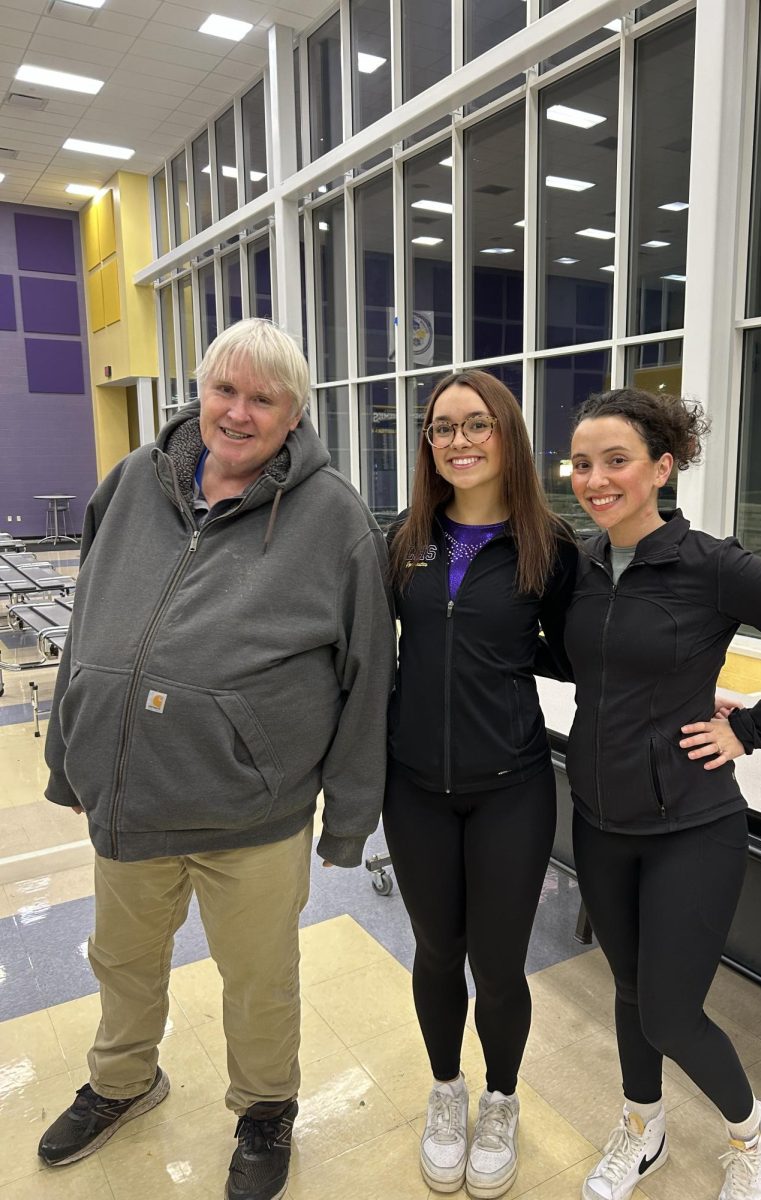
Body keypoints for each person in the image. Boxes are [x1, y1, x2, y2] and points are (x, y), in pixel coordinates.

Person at [37, 318, 396, 1200]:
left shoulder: (334, 519)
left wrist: (350, 822)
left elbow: (367, 676)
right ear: (199, 392)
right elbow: (86, 625)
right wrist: (65, 756)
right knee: (120, 961)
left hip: (252, 812)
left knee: (260, 981)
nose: (238, 412)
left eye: (262, 398)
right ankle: (123, 1081)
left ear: (294, 414)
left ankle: (267, 1108)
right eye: (223, 390)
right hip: (130, 796)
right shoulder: (129, 484)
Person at [563, 388, 761, 1200]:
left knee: (668, 1011)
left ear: (662, 468)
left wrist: (751, 729)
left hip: (691, 825)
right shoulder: (581, 565)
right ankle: (643, 1128)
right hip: (598, 818)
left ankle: (750, 1130)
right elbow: (583, 662)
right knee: (627, 990)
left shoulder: (712, 564)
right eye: (583, 462)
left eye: (616, 460)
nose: (595, 478)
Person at [384, 370, 578, 1198]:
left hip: (512, 787)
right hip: (415, 786)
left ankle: (499, 1100)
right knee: (436, 951)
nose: (457, 441)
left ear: (508, 435)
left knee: (498, 966)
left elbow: (578, 653)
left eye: (476, 425)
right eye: (440, 428)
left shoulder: (552, 544)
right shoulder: (404, 538)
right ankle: (447, 1092)